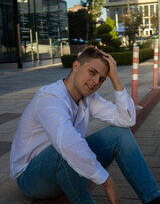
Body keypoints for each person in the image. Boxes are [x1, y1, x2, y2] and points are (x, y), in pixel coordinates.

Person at [10, 46, 160, 204]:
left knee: (120, 135)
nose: (96, 82)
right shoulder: (50, 98)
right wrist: (107, 180)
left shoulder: (89, 98)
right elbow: (67, 145)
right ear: (76, 67)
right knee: (67, 149)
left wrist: (115, 79)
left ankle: (153, 199)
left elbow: (127, 120)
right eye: (92, 72)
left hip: (65, 167)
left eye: (102, 78)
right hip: (31, 177)